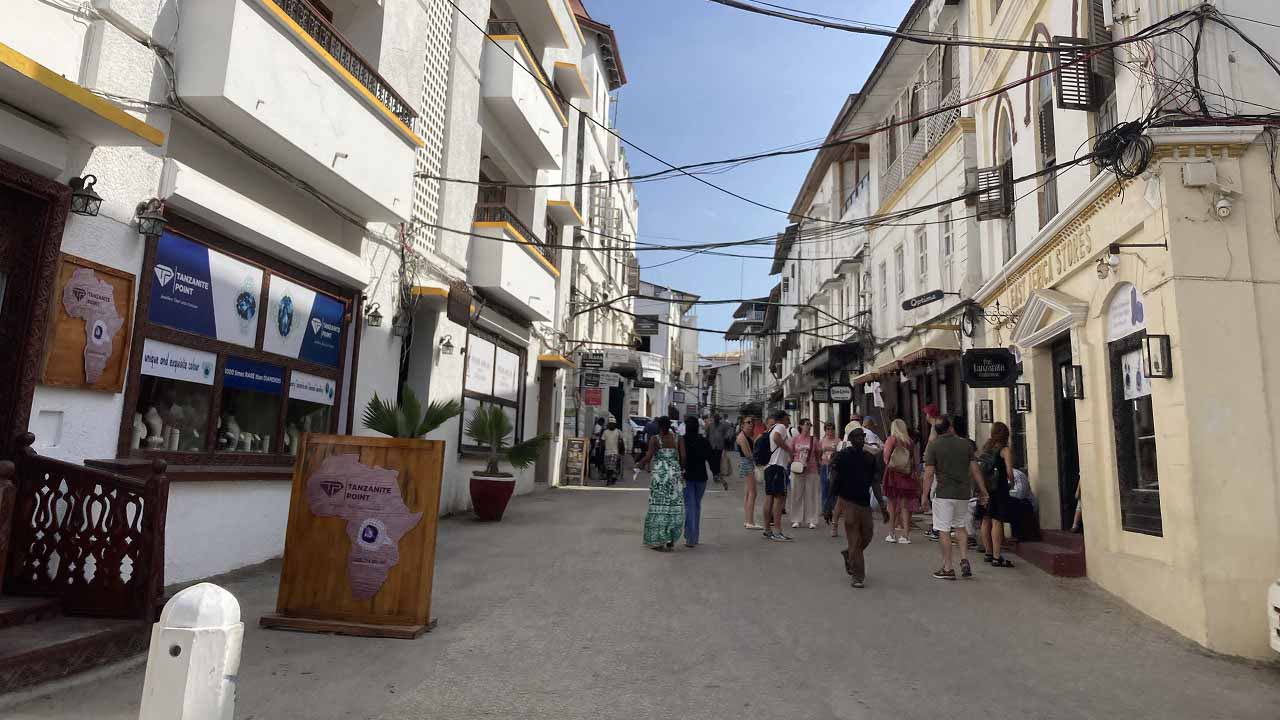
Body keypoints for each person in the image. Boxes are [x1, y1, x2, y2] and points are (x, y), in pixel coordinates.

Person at [921, 416, 988, 579]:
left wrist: (924, 495)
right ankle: (964, 559)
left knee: (943, 530)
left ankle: (948, 567)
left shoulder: (933, 446)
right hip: (963, 493)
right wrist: (983, 490)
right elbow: (975, 469)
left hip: (943, 493)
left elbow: (929, 473)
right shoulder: (965, 444)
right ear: (950, 427)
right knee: (960, 526)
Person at [831, 428, 891, 588]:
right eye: (857, 437)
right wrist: (828, 505)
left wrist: (883, 506)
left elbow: (875, 482)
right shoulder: (843, 456)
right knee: (855, 540)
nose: (860, 439)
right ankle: (858, 576)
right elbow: (835, 479)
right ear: (850, 439)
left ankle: (849, 554)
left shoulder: (869, 458)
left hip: (864, 503)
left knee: (868, 535)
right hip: (848, 502)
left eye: (862, 437)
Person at [640, 416, 684, 551]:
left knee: (658, 507)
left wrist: (639, 463)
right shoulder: (678, 438)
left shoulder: (655, 439)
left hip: (660, 476)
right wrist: (680, 471)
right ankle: (670, 539)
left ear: (659, 425)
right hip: (674, 475)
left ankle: (658, 540)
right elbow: (684, 457)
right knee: (673, 507)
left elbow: (649, 456)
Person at [882, 418, 919, 544]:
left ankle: (891, 534)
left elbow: (886, 458)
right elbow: (915, 460)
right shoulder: (909, 442)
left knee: (891, 505)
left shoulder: (891, 439)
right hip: (906, 475)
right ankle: (905, 535)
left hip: (892, 476)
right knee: (905, 506)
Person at [680, 419, 713, 548]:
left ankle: (690, 538)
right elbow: (711, 458)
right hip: (701, 478)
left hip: (687, 477)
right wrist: (717, 474)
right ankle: (694, 537)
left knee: (689, 506)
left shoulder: (682, 440)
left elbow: (680, 458)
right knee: (696, 505)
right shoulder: (703, 441)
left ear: (686, 427)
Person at [762, 410, 794, 541]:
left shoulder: (771, 428)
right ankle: (777, 531)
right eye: (787, 419)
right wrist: (788, 449)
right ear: (782, 419)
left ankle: (767, 529)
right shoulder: (780, 427)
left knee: (769, 497)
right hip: (777, 467)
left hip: (769, 467)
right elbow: (776, 438)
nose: (789, 422)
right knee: (779, 499)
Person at [789, 419, 820, 529]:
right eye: (807, 424)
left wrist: (817, 465)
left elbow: (817, 453)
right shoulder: (795, 439)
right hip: (797, 469)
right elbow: (790, 452)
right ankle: (796, 519)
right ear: (801, 426)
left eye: (810, 425)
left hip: (811, 469)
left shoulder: (813, 439)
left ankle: (812, 520)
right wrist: (794, 462)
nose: (808, 426)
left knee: (811, 495)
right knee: (796, 495)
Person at [736, 417, 762, 530]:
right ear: (742, 425)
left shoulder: (747, 436)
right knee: (753, 493)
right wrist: (758, 461)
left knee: (748, 494)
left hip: (747, 464)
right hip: (747, 464)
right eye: (748, 422)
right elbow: (748, 454)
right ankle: (750, 521)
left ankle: (748, 520)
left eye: (752, 422)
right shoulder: (742, 437)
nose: (751, 424)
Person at [818, 422, 840, 536]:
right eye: (827, 429)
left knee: (834, 488)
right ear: (825, 430)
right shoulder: (822, 440)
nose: (830, 431)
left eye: (831, 429)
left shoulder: (838, 440)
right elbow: (819, 452)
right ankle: (825, 508)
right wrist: (820, 462)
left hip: (833, 466)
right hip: (824, 465)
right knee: (825, 487)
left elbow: (839, 452)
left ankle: (834, 508)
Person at [707, 414, 728, 491]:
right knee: (712, 461)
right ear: (713, 419)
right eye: (715, 418)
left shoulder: (723, 426)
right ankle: (715, 473)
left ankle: (716, 474)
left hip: (719, 447)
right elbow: (707, 435)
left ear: (719, 419)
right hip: (711, 446)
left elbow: (726, 435)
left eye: (717, 418)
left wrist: (724, 442)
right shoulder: (710, 426)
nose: (716, 419)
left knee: (717, 461)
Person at [601, 421, 625, 486]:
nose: (611, 425)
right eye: (610, 424)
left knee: (611, 466)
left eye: (612, 424)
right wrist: (602, 450)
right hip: (606, 452)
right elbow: (602, 441)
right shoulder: (605, 432)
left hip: (614, 452)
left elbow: (621, 441)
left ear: (615, 424)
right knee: (607, 467)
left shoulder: (618, 432)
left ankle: (609, 480)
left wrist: (622, 450)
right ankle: (612, 478)